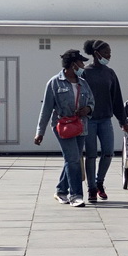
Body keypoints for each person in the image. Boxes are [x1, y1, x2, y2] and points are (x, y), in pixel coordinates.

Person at [35, 49, 95, 207]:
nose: (83, 65)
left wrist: (87, 109)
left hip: (81, 125)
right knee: (73, 159)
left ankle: (61, 190)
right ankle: (76, 195)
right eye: (81, 62)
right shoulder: (54, 83)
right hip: (63, 126)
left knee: (72, 159)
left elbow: (92, 102)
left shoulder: (83, 82)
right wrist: (39, 132)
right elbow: (46, 109)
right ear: (73, 64)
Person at [80, 40, 126, 202]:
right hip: (89, 121)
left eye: (110, 52)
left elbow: (117, 99)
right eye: (106, 52)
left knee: (108, 152)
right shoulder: (84, 73)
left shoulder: (110, 73)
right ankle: (91, 188)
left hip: (105, 120)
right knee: (91, 155)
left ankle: (100, 183)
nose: (109, 55)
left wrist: (122, 120)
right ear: (96, 54)